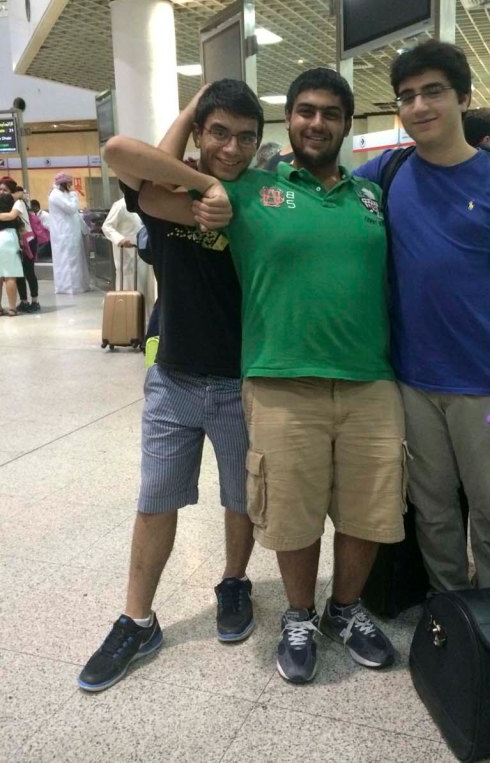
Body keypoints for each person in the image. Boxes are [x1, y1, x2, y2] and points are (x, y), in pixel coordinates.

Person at [99, 68, 405, 686]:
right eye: (305, 111)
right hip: (268, 378)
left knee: (362, 509)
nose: (317, 123)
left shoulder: (371, 194)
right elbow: (128, 164)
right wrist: (204, 170)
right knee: (284, 509)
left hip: (367, 378)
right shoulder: (245, 192)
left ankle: (340, 610)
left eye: (331, 113)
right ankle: (292, 615)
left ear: (348, 124)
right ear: (289, 121)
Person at [78, 80, 261, 693]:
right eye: (219, 132)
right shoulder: (172, 190)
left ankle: (234, 580)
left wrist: (225, 195)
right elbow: (120, 151)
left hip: (241, 380)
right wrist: (201, 156)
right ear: (200, 134)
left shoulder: (258, 199)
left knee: (240, 495)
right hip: (173, 378)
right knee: (155, 499)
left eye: (245, 136)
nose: (231, 147)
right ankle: (137, 618)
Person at [355, 41, 490, 592]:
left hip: (488, 388)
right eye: (407, 96)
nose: (419, 106)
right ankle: (451, 616)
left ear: (463, 98)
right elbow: (320, 194)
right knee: (433, 511)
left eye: (433, 91)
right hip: (412, 385)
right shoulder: (385, 173)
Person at [0, 180, 40, 312]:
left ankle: (35, 301)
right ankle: (23, 301)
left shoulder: (18, 202)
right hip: (17, 241)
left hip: (27, 240)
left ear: (12, 191)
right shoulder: (6, 203)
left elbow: (11, 216)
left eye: (5, 190)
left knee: (28, 272)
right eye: (0, 189)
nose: (2, 192)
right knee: (18, 274)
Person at [48, 172, 91, 294]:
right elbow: (72, 209)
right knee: (68, 261)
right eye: (69, 183)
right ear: (64, 184)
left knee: (75, 260)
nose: (71, 186)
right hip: (64, 235)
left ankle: (79, 285)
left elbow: (75, 214)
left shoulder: (62, 194)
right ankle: (69, 287)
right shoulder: (56, 195)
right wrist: (74, 194)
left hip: (70, 233)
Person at [101, 196, 147, 291]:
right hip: (128, 255)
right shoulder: (121, 205)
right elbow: (107, 226)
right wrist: (120, 239)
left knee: (148, 286)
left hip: (146, 255)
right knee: (129, 286)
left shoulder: (147, 203)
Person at [0, 191, 24, 316]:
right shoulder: (14, 202)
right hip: (8, 237)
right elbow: (12, 215)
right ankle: (12, 308)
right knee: (10, 276)